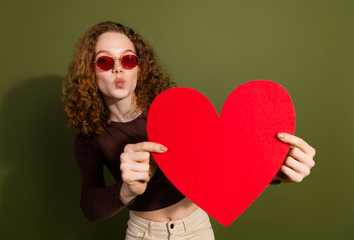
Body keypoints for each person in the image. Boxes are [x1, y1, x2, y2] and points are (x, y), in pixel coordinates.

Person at [62, 21, 316, 240]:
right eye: (105, 61)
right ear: (90, 72)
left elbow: (218, 166)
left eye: (128, 59)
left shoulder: (171, 111)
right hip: (143, 234)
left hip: (197, 229)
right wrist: (126, 190)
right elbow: (90, 207)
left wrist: (276, 171)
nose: (118, 68)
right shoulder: (89, 137)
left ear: (140, 67)